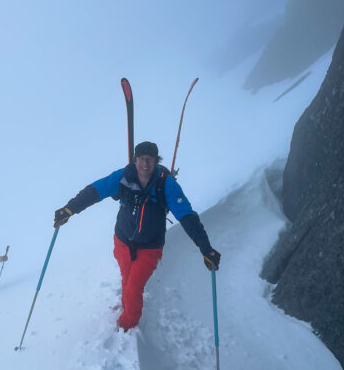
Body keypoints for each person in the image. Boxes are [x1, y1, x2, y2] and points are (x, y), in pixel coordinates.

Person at [53, 141, 221, 331]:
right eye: (141, 159)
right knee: (126, 278)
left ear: (156, 161)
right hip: (123, 239)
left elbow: (187, 216)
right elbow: (95, 191)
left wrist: (205, 248)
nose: (145, 164)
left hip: (150, 246)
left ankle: (127, 325)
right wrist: (69, 209)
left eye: (150, 159)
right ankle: (126, 306)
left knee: (134, 286)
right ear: (135, 160)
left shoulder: (166, 184)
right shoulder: (124, 176)